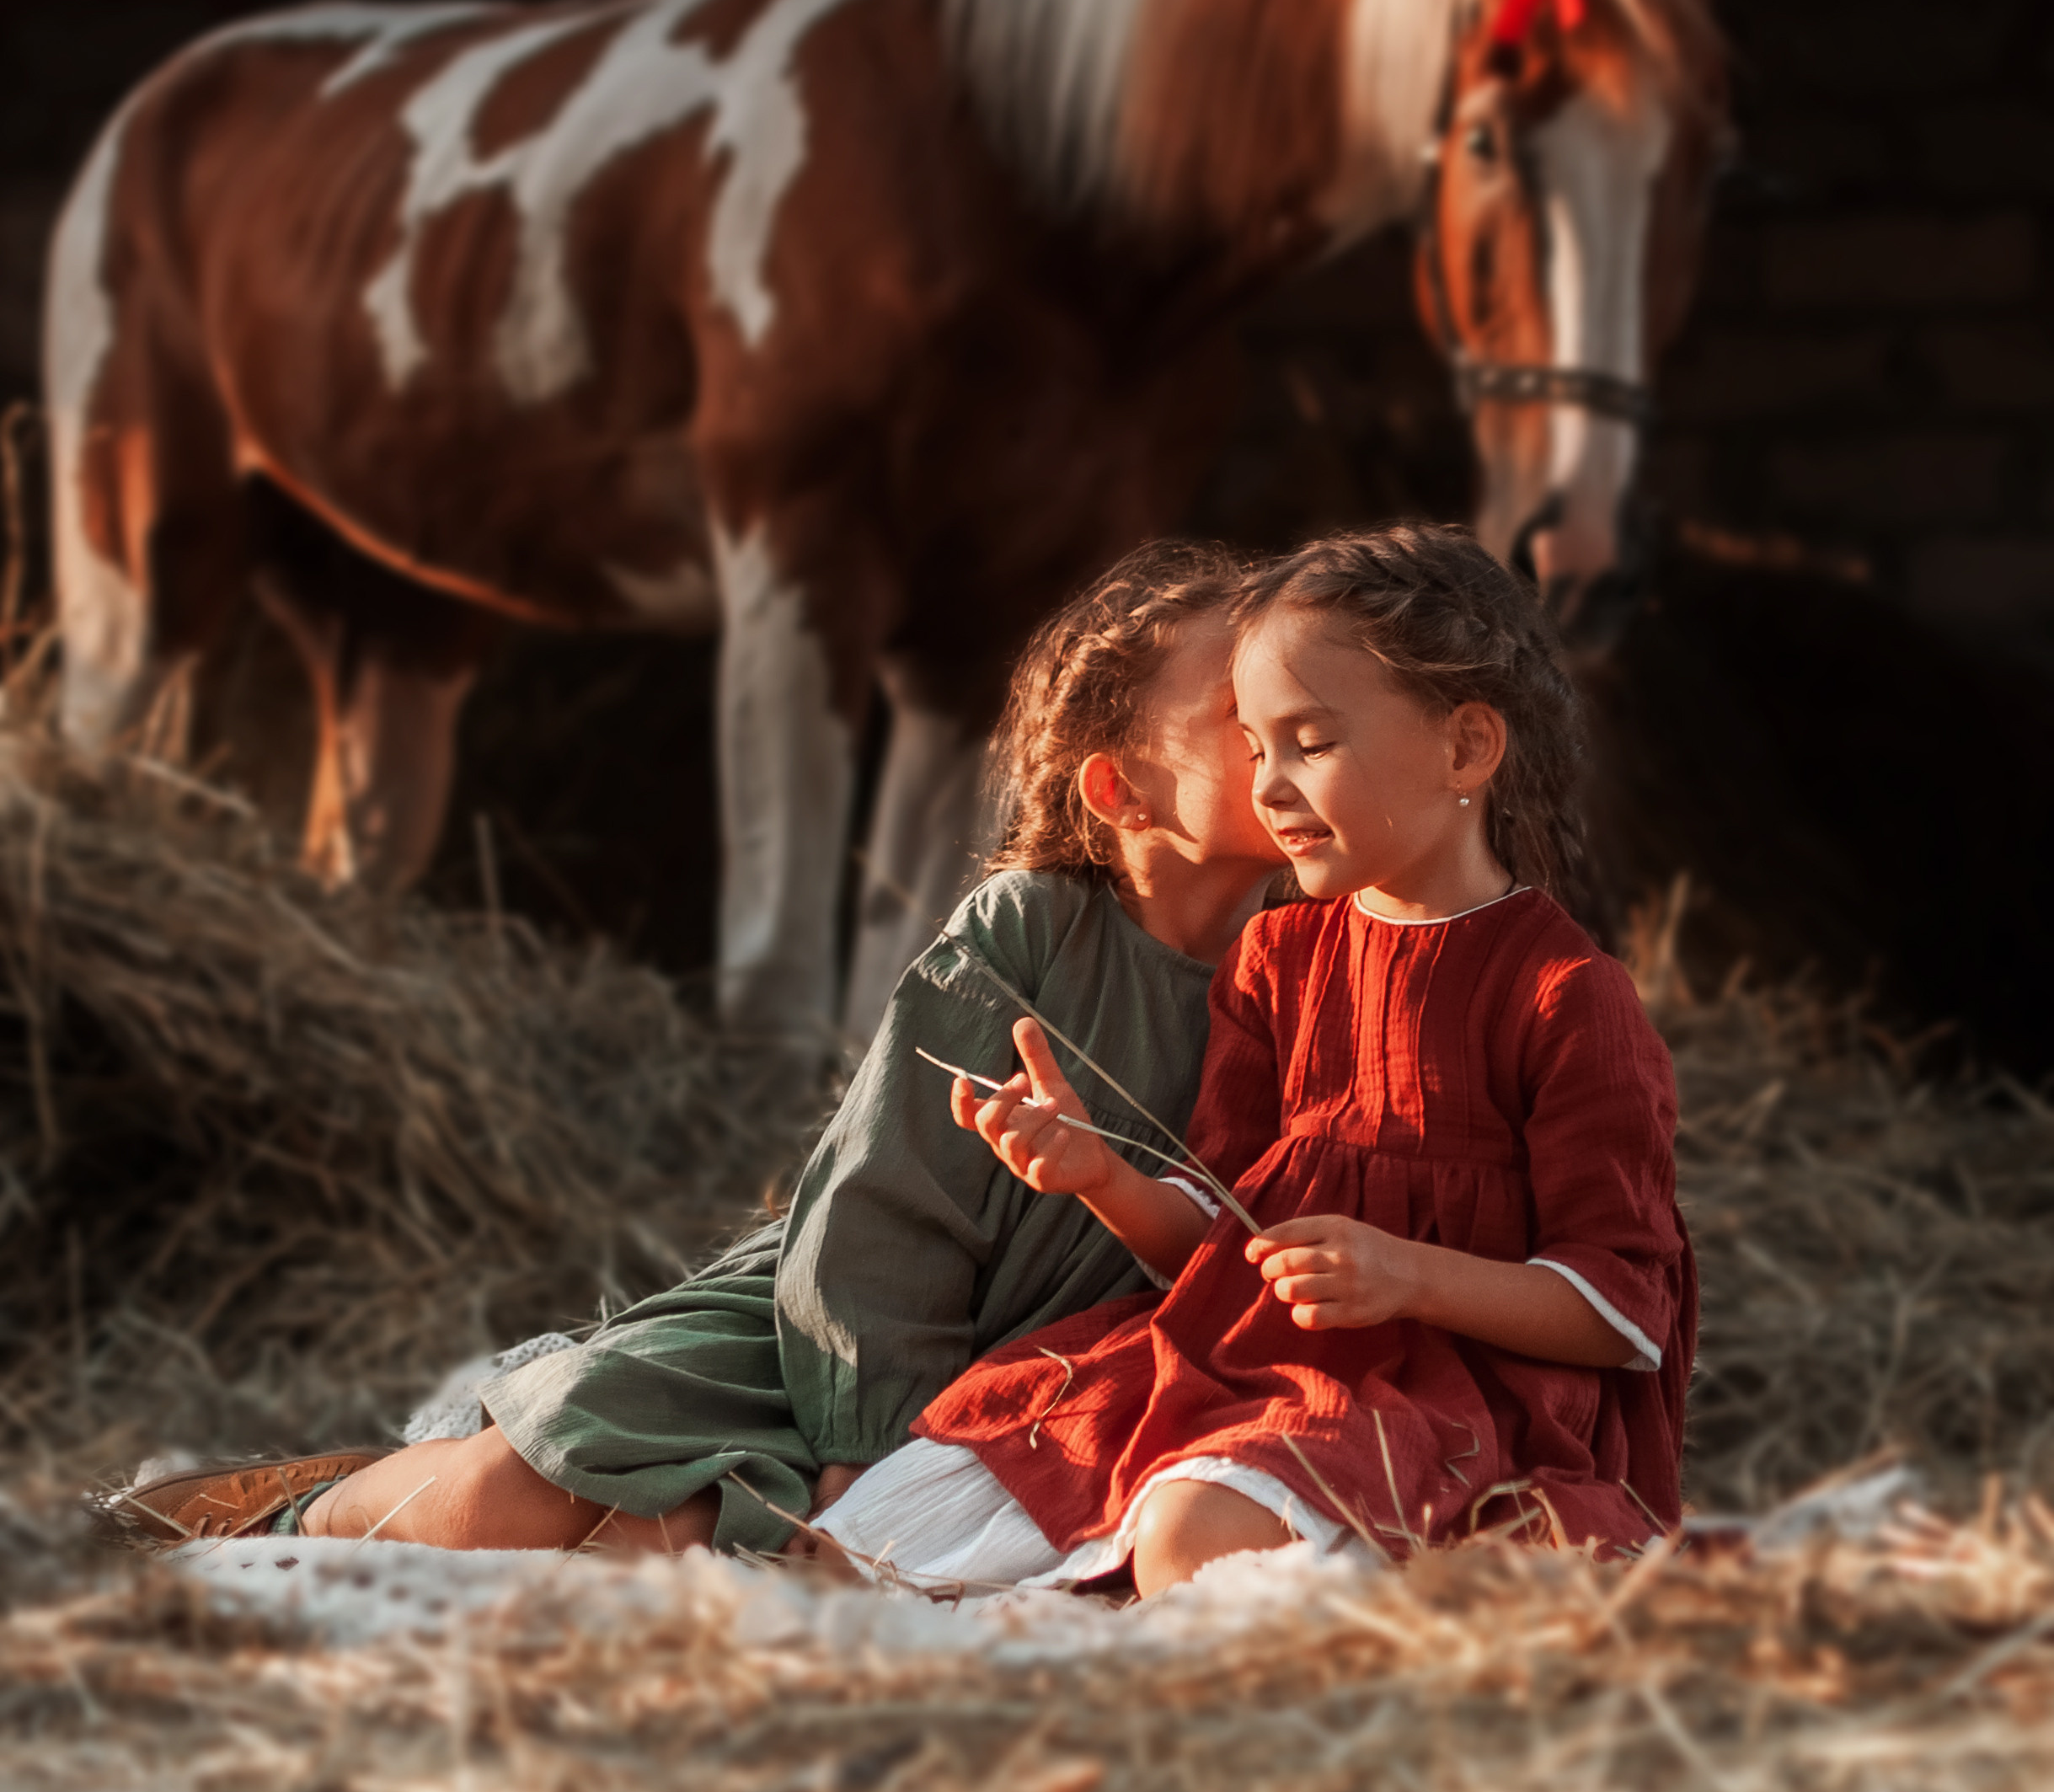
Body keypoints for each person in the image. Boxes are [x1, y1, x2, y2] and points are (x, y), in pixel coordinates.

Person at [113, 540, 1282, 1554]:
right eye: (1245, 708)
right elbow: (880, 1209)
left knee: (666, 1536)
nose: (1288, 730)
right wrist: (858, 1449)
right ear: (1122, 790)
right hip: (842, 1337)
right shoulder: (1028, 926)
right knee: (522, 1492)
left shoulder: (1306, 948)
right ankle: (303, 1512)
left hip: (1044, 1380)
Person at [812, 524, 1695, 1598]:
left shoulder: (1566, 994)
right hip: (1232, 1360)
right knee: (861, 1544)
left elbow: (1620, 1312)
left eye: (1310, 741)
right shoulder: (1276, 956)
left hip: (1448, 1404)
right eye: (1254, 744)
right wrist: (1100, 1174)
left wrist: (1406, 1276)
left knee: (1193, 1536)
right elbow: (1219, 1236)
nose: (1269, 785)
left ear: (1465, 748)